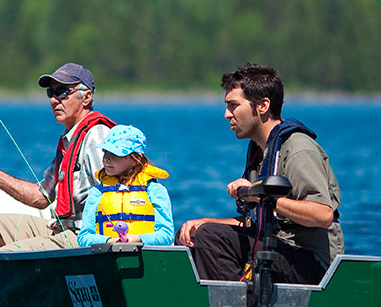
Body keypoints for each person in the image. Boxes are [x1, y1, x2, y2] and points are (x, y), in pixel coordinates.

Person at [176, 63, 343, 283]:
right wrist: (206, 222)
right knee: (193, 235)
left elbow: (323, 215)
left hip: (311, 264)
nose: (227, 114)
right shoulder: (259, 153)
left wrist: (264, 197)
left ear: (263, 105)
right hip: (276, 249)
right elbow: (260, 222)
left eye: (233, 105)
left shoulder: (298, 149)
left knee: (212, 238)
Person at [0, 62, 114, 250]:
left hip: (87, 237)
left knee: (7, 254)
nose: (53, 100)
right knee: (0, 225)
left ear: (86, 97)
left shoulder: (97, 135)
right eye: (50, 93)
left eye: (62, 92)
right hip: (64, 230)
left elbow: (115, 193)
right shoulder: (69, 141)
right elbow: (41, 197)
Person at [77, 125, 173, 247]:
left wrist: (138, 239)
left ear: (135, 159)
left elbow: (166, 235)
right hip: (106, 259)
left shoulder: (155, 191)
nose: (106, 159)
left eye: (115, 154)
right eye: (105, 152)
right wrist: (110, 242)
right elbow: (84, 237)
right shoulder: (97, 192)